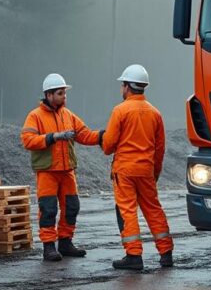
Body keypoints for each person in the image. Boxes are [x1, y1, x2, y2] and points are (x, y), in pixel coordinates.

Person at [20, 73, 102, 262]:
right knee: (48, 209)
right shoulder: (35, 116)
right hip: (48, 171)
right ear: (48, 95)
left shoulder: (68, 115)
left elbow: (84, 134)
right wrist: (53, 137)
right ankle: (49, 247)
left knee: (72, 207)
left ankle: (65, 243)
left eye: (64, 93)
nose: (64, 97)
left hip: (67, 171)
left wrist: (103, 136)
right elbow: (27, 140)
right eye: (60, 93)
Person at [101, 64, 172, 271]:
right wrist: (155, 173)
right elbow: (160, 149)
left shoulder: (120, 110)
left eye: (122, 85)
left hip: (125, 171)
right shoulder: (155, 113)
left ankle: (133, 255)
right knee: (153, 209)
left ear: (127, 86)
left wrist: (102, 138)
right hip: (146, 171)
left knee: (127, 210)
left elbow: (108, 146)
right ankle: (166, 253)